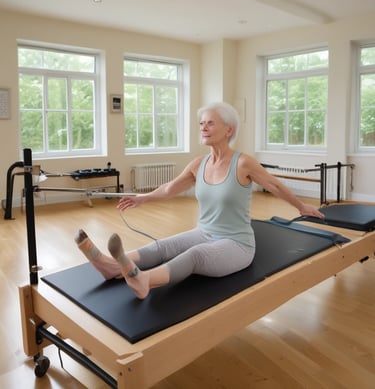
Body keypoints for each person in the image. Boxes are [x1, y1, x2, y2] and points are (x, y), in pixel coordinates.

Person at [75, 101, 324, 300]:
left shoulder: (243, 162)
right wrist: (142, 198)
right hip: (204, 232)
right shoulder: (199, 164)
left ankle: (143, 280)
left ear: (229, 130)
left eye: (210, 123)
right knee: (164, 247)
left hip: (236, 244)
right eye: (201, 123)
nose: (203, 127)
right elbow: (171, 188)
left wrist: (302, 206)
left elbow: (275, 185)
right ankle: (110, 266)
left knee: (194, 256)